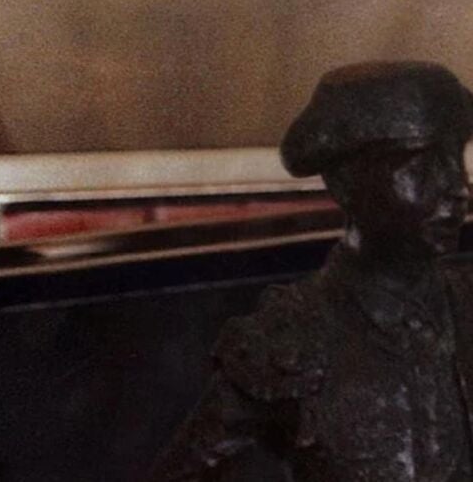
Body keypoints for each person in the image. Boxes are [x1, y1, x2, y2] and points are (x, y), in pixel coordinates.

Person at [150, 61, 473, 481]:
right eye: (421, 165)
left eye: (457, 158)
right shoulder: (289, 340)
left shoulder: (465, 305)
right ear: (347, 183)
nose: (459, 188)